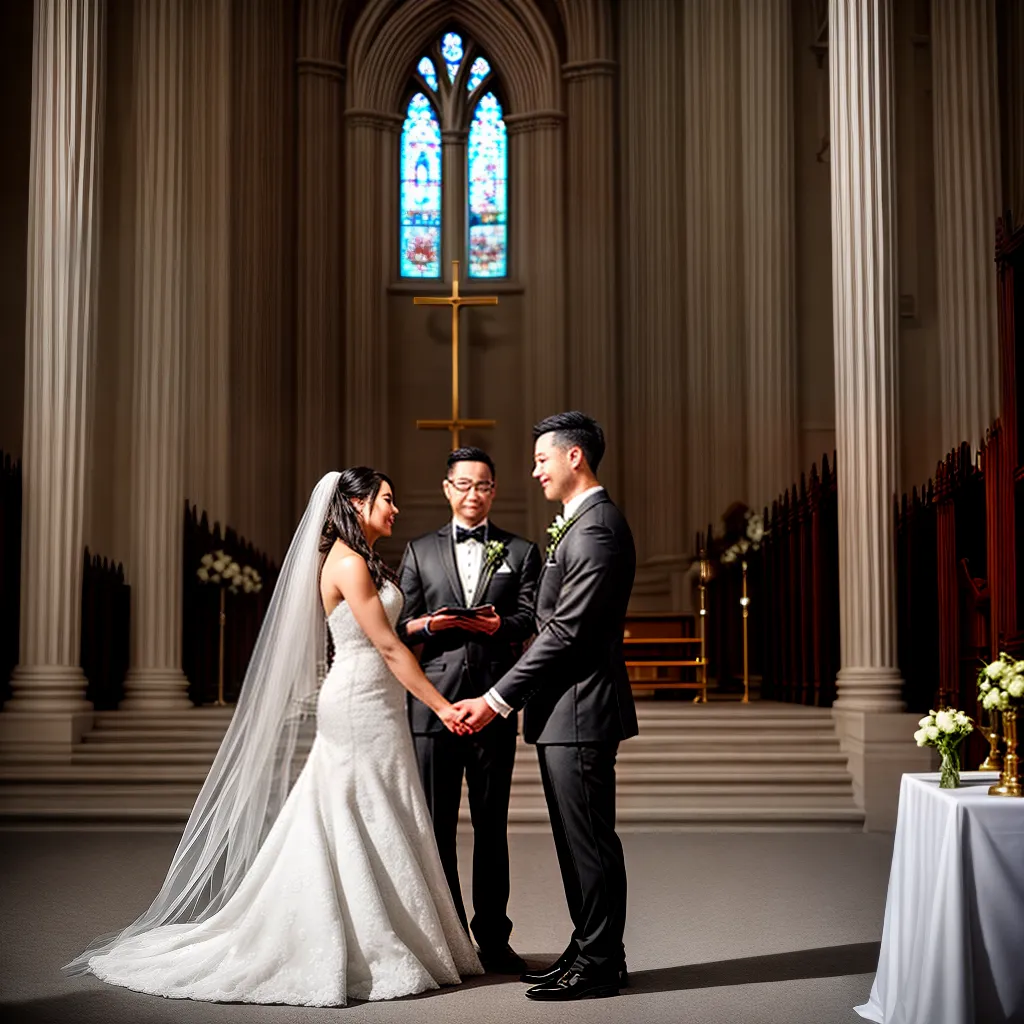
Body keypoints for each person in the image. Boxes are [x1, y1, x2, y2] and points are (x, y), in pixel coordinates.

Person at [65, 469, 483, 1006]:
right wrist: (443, 706)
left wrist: (431, 626)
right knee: (360, 810)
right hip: (358, 701)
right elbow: (384, 648)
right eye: (386, 499)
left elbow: (386, 633)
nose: (395, 508)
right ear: (355, 504)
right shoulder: (350, 562)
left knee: (375, 809)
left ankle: (388, 929)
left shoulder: (356, 559)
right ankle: (358, 938)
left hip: (375, 700)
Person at [454, 412, 638, 1002]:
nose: (534, 470)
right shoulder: (580, 523)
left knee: (588, 840)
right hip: (565, 710)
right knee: (572, 837)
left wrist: (497, 697)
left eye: (540, 459)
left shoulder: (596, 528)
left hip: (581, 708)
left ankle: (602, 961)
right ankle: (589, 947)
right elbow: (549, 624)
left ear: (573, 457)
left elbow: (567, 634)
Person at [397, 447, 541, 974]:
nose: (472, 495)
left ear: (494, 490)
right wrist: (432, 625)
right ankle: (448, 938)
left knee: (491, 826)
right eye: (463, 485)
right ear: (446, 488)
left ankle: (494, 939)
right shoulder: (418, 550)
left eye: (482, 486)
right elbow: (397, 628)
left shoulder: (522, 551)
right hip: (433, 706)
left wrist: (498, 626)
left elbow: (529, 617)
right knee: (435, 828)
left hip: (492, 704)